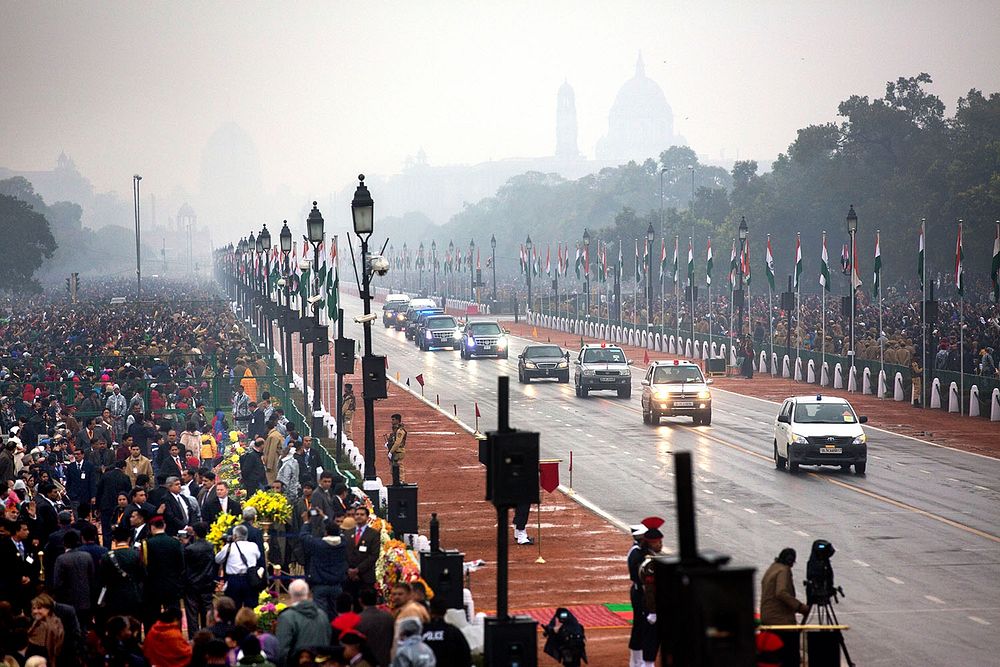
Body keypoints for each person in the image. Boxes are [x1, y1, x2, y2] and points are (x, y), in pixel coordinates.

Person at [760, 547, 810, 667]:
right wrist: (800, 607)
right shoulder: (784, 570)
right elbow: (781, 592)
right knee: (791, 656)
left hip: (767, 619)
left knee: (774, 656)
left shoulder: (772, 568)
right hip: (781, 622)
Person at [299, 511, 348, 618]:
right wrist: (325, 518)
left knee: (321, 616)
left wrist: (307, 522)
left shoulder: (318, 544)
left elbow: (303, 536)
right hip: (337, 585)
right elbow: (338, 532)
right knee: (336, 615)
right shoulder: (343, 543)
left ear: (325, 532)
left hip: (320, 585)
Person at [140, 515, 185, 630]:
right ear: (164, 526)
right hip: (172, 585)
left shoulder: (147, 544)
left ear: (152, 527)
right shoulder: (175, 542)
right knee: (173, 615)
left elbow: (143, 567)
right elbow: (181, 565)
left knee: (152, 617)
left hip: (152, 586)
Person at [628, 519, 662, 667]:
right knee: (648, 631)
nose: (660, 545)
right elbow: (647, 585)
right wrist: (652, 609)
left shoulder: (637, 551)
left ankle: (637, 662)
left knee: (640, 628)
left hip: (639, 593)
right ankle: (643, 663)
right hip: (644, 596)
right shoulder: (642, 556)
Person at [276, 580, 332, 665]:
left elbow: (282, 650)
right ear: (307, 593)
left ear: (290, 593)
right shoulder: (322, 615)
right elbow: (328, 640)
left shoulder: (286, 617)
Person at [97, 525, 145, 625]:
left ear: (114, 540)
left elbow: (102, 579)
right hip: (133, 595)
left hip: (113, 597)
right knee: (134, 625)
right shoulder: (136, 555)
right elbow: (142, 576)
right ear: (129, 538)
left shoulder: (107, 556)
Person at [215, 524, 262, 609]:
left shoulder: (229, 547)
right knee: (250, 608)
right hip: (250, 579)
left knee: (233, 608)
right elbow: (258, 556)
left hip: (234, 580)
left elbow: (218, 559)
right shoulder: (253, 546)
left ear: (235, 536)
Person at [184, 521, 218, 634]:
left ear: (194, 533)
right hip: (207, 583)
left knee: (192, 614)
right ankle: (208, 634)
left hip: (192, 584)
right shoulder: (210, 546)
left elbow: (185, 566)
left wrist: (184, 545)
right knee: (207, 611)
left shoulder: (190, 549)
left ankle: (194, 638)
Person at [421, 597, 471, 667]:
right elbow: (465, 657)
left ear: (429, 611)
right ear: (446, 612)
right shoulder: (453, 632)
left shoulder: (421, 632)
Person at [345, 506, 379, 602]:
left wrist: (357, 570)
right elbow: (343, 554)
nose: (359, 516)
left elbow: (373, 555)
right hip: (349, 577)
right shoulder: (347, 533)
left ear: (367, 517)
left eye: (362, 514)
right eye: (357, 514)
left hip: (365, 577)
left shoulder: (374, 534)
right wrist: (349, 570)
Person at [355, 588, 394, 667]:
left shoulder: (357, 620)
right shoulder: (389, 617)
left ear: (360, 601)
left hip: (366, 663)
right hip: (386, 661)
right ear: (376, 600)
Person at [28, 594, 65, 667]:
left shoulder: (50, 626)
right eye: (33, 608)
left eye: (39, 608)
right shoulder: (35, 623)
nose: (35, 611)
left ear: (48, 609)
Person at [386, 414, 407, 485]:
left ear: (398, 420)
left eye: (393, 419)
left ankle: (401, 481)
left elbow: (398, 442)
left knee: (399, 466)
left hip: (398, 451)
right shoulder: (395, 429)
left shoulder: (400, 431)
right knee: (393, 468)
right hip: (395, 451)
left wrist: (391, 451)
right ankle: (396, 481)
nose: (391, 421)